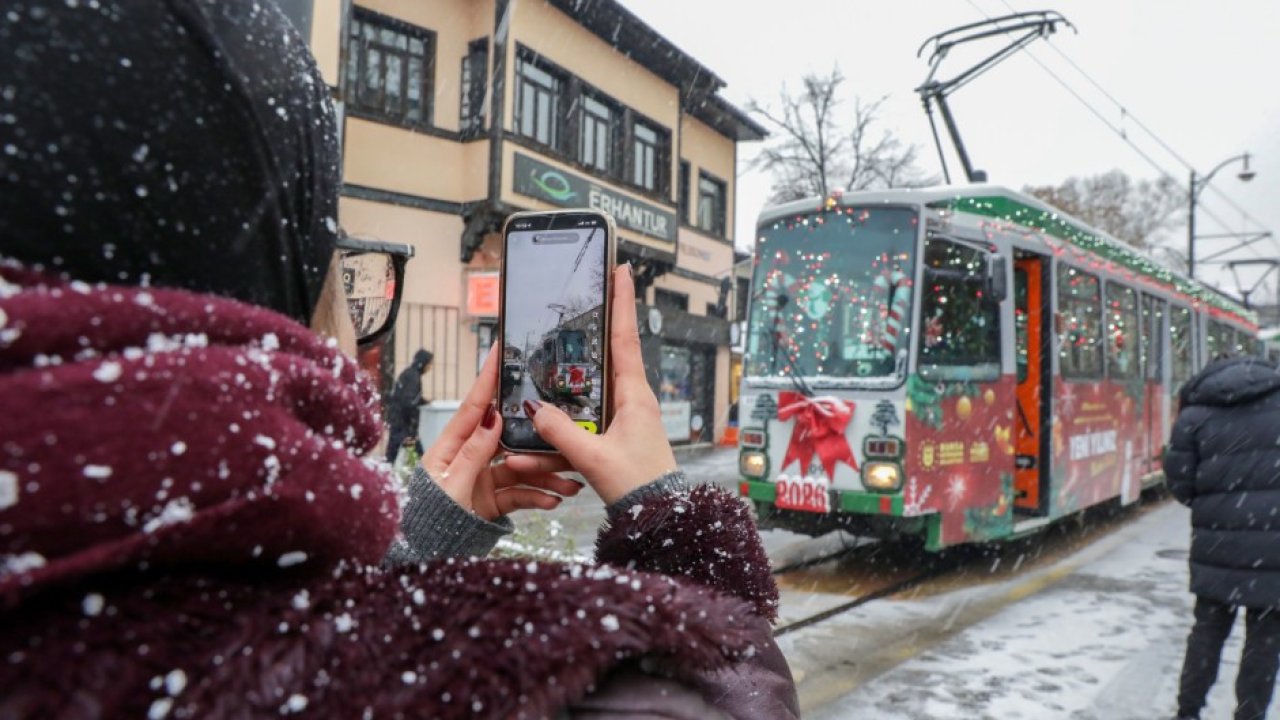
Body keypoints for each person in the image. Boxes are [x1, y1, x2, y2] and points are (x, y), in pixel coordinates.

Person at [0, 2, 797, 717]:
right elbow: (724, 694)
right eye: (337, 259)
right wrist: (674, 528)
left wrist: (415, 548)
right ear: (273, 290)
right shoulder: (548, 676)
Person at [1166, 355, 1280, 720]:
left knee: (1207, 634)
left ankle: (1188, 711)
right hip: (1273, 549)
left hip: (1216, 547)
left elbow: (1180, 483)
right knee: (1264, 642)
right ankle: (1250, 714)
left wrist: (1217, 510)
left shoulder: (1195, 415)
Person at [385, 348, 434, 463]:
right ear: (423, 363)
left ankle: (387, 473)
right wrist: (412, 427)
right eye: (430, 364)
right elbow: (410, 402)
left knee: (392, 453)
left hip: (398, 420)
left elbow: (409, 397)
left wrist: (424, 401)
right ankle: (425, 475)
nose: (430, 367)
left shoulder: (409, 373)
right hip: (403, 423)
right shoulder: (414, 377)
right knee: (418, 454)